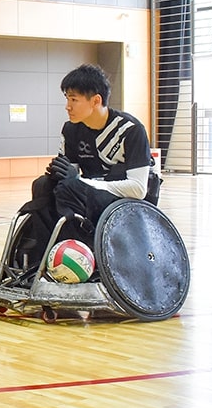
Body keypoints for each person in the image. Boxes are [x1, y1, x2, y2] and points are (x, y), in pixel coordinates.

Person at [19, 63, 161, 260]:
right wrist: (59, 174)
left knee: (70, 189)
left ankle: (80, 255)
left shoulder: (130, 129)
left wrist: (79, 181)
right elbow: (70, 179)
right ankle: (43, 256)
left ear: (95, 100)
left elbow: (138, 189)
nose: (67, 106)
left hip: (129, 200)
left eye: (74, 99)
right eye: (67, 98)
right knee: (43, 186)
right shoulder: (71, 130)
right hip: (91, 192)